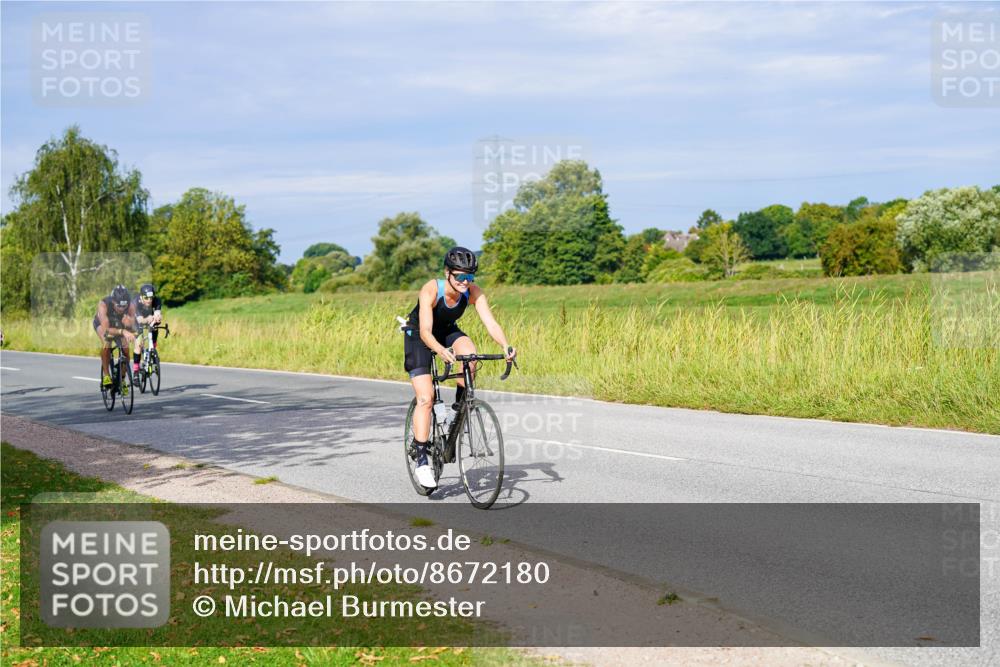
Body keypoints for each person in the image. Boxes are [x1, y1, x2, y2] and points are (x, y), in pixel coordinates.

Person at [403, 246, 515, 488]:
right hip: (419, 335)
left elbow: (491, 323)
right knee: (426, 397)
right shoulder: (431, 290)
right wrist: (439, 350)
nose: (466, 282)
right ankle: (422, 459)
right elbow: (425, 331)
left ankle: (458, 410)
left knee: (470, 356)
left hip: (446, 331)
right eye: (460, 276)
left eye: (470, 276)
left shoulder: (473, 291)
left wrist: (506, 345)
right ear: (447, 274)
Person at [92, 285, 136, 389]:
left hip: (119, 323)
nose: (121, 309)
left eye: (124, 306)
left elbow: (134, 325)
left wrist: (130, 324)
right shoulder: (104, 304)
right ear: (113, 302)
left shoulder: (130, 306)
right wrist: (123, 331)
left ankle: (122, 378)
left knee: (126, 350)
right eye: (118, 306)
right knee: (107, 342)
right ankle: (106, 375)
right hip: (103, 324)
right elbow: (107, 329)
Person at [131, 283, 163, 375]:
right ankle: (136, 371)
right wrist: (148, 319)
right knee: (139, 345)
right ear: (141, 297)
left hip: (149, 318)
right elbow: (140, 320)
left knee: (156, 324)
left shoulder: (156, 300)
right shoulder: (135, 302)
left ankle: (153, 348)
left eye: (151, 298)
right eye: (146, 298)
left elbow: (157, 313)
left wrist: (157, 317)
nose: (149, 300)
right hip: (137, 320)